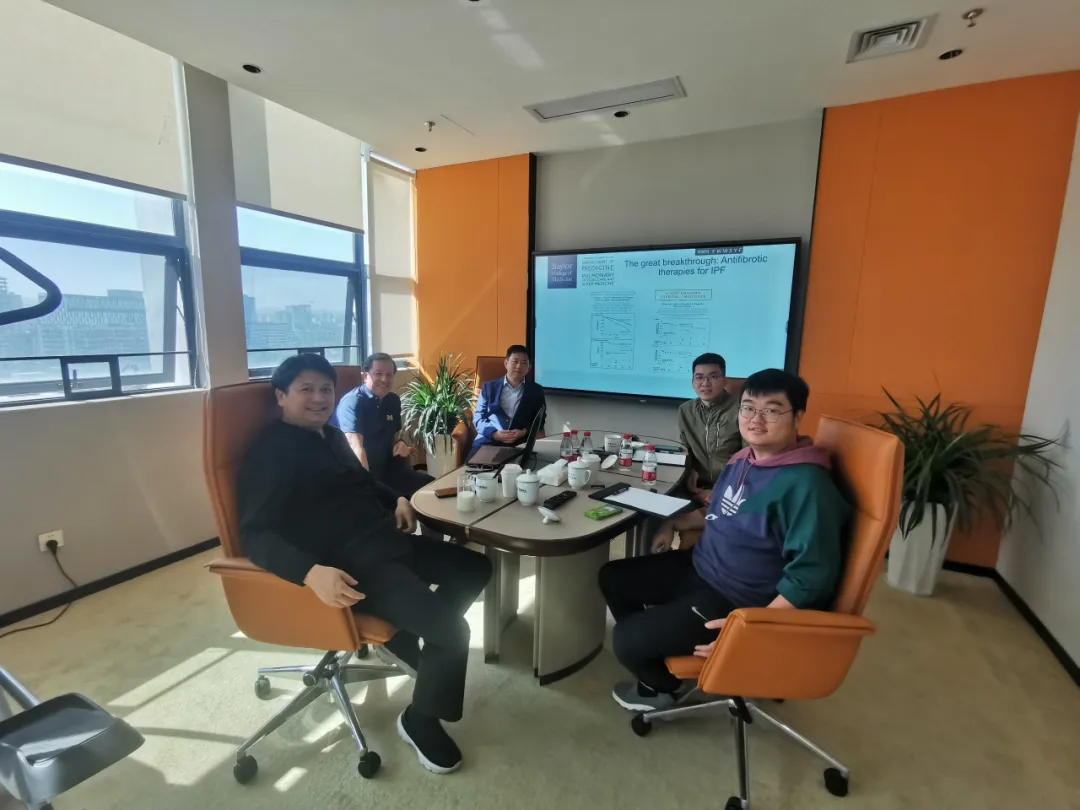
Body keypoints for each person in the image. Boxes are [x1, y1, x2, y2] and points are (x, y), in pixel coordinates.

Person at [236, 354, 492, 774]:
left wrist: (397, 498)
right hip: (353, 568)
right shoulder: (270, 452)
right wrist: (309, 572)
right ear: (281, 396)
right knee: (453, 633)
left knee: (475, 568)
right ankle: (419, 719)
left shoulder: (330, 435)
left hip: (385, 541)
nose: (319, 398)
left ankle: (409, 636)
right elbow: (254, 534)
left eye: (326, 389)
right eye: (306, 389)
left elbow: (363, 481)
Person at [597, 369, 850, 713]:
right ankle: (664, 647)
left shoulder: (807, 486)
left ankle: (661, 687)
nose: (755, 419)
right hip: (701, 566)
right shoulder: (743, 459)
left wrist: (746, 632)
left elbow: (811, 578)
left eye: (771, 410)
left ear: (798, 417)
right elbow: (719, 511)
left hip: (738, 597)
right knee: (613, 577)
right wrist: (674, 523)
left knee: (625, 639)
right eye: (748, 408)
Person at [645, 352, 742, 552]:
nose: (705, 383)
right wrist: (690, 470)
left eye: (713, 376)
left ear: (724, 380)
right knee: (652, 503)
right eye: (699, 377)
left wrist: (719, 491)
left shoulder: (741, 410)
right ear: (692, 382)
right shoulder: (686, 410)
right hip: (696, 487)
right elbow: (685, 447)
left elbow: (749, 458)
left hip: (731, 490)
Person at [333, 352, 433, 500]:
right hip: (365, 474)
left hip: (390, 470)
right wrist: (369, 488)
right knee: (398, 502)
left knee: (433, 486)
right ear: (365, 376)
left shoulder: (393, 400)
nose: (384, 379)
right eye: (378, 374)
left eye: (389, 375)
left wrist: (401, 443)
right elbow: (355, 448)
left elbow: (396, 434)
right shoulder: (353, 402)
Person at [467, 345, 547, 462]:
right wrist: (494, 433)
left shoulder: (536, 391)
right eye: (515, 361)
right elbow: (478, 417)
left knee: (523, 470)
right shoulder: (489, 387)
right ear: (506, 363)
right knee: (474, 468)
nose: (519, 366)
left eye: (524, 363)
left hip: (520, 443)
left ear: (529, 367)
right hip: (489, 441)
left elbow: (540, 420)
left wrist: (524, 432)